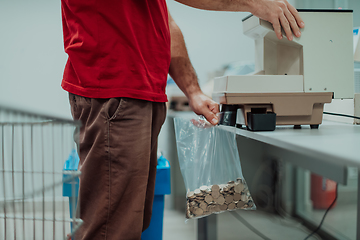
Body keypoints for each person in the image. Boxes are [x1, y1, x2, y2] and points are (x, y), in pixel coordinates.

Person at [60, 0, 304, 239]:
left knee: (130, 220)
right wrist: (254, 3)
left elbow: (165, 22)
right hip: (113, 92)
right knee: (111, 227)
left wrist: (193, 91)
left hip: (137, 96)